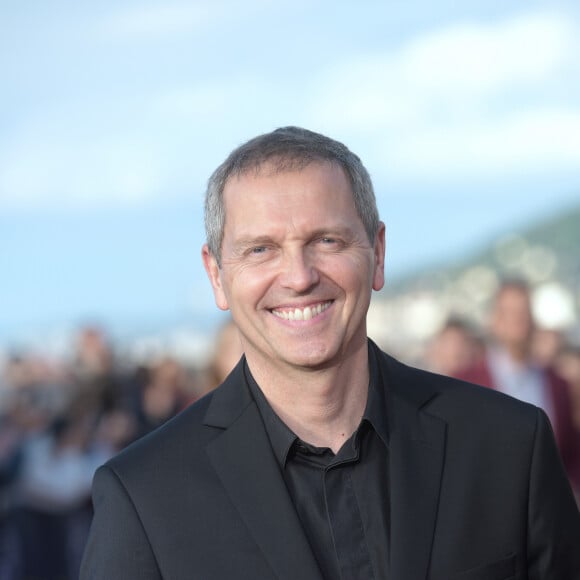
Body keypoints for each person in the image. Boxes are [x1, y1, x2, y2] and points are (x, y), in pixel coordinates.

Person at [81, 127, 580, 580]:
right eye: (261, 249)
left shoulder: (509, 445)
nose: (299, 277)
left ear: (378, 253)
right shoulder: (144, 498)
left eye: (326, 240)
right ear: (217, 275)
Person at [456, 280, 580, 495]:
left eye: (523, 311)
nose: (517, 321)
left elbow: (571, 455)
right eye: (509, 312)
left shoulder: (558, 384)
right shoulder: (465, 382)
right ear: (494, 320)